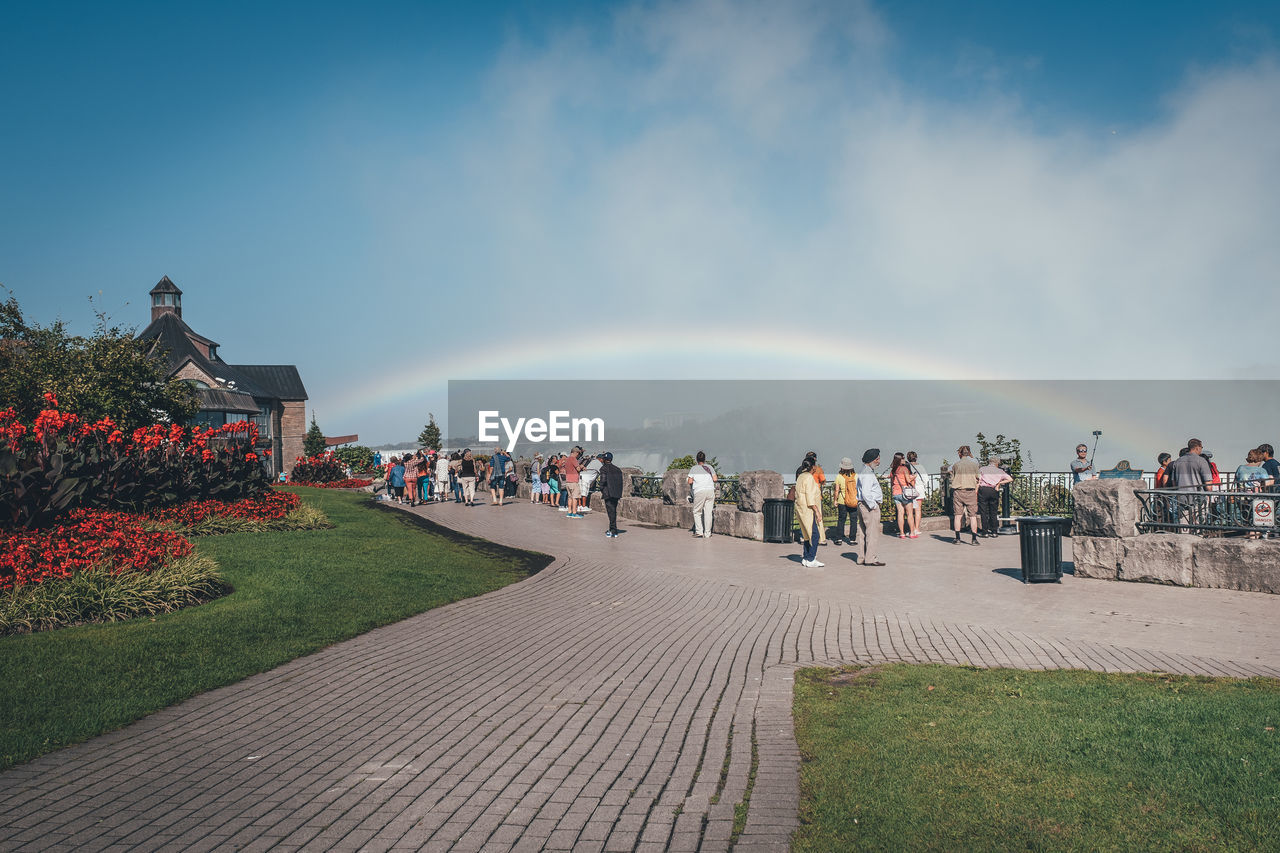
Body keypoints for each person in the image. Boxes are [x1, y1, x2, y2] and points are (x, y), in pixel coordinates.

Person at [856, 449, 885, 565]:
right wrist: (873, 506)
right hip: (868, 506)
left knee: (863, 532)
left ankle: (862, 557)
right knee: (872, 533)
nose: (879, 462)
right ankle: (871, 558)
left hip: (862, 504)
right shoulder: (868, 473)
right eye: (877, 459)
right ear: (872, 460)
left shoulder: (864, 470)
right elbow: (866, 493)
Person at [793, 458, 823, 568]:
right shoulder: (809, 478)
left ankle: (806, 557)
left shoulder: (800, 476)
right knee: (815, 535)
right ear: (813, 467)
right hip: (808, 510)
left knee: (806, 534)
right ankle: (811, 558)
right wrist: (817, 512)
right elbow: (810, 498)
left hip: (801, 509)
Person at [950, 445, 981, 545]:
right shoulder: (974, 465)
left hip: (958, 491)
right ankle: (974, 539)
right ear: (968, 453)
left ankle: (958, 538)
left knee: (958, 516)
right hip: (970, 491)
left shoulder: (956, 465)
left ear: (960, 453)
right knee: (973, 516)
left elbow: (952, 477)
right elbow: (978, 477)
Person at [977, 455, 1013, 538]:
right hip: (994, 490)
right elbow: (1010, 479)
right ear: (997, 463)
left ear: (989, 462)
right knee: (993, 512)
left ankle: (985, 532)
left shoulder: (982, 469)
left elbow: (978, 479)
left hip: (983, 490)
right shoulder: (999, 471)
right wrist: (999, 483)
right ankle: (994, 531)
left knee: (983, 512)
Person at [687, 450, 717, 538]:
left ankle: (699, 532)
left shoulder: (694, 468)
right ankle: (707, 533)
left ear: (697, 459)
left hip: (700, 491)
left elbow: (690, 481)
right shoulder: (710, 467)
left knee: (697, 512)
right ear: (704, 459)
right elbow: (715, 479)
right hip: (710, 490)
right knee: (708, 513)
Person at [889, 452, 918, 539]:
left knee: (900, 514)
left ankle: (902, 533)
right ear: (900, 459)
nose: (904, 460)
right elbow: (908, 480)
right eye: (903, 458)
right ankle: (912, 533)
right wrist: (914, 476)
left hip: (896, 493)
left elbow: (891, 480)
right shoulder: (904, 469)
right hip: (905, 494)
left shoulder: (893, 470)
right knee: (909, 514)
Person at [832, 457, 858, 546]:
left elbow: (836, 490)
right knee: (853, 520)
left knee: (841, 519)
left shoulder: (839, 477)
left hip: (842, 501)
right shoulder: (856, 476)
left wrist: (835, 500)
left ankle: (839, 539)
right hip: (853, 500)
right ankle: (852, 539)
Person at [805, 451, 829, 544]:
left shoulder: (802, 469)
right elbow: (823, 481)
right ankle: (821, 538)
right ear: (815, 459)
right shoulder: (818, 469)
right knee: (818, 516)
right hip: (816, 494)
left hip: (806, 494)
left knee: (807, 516)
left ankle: (806, 537)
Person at [599, 452, 624, 537]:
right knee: (613, 511)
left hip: (608, 493)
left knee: (611, 512)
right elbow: (620, 482)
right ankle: (612, 529)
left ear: (605, 460)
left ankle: (613, 530)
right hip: (616, 493)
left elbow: (603, 480)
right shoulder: (617, 469)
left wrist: (601, 488)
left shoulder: (603, 468)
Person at [904, 451, 925, 539]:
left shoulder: (906, 467)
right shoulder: (921, 467)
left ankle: (911, 529)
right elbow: (925, 479)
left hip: (910, 491)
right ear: (916, 457)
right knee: (918, 510)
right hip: (919, 490)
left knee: (909, 511)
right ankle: (917, 528)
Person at [561, 449, 582, 517]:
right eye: (578, 454)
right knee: (575, 497)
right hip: (574, 481)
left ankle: (569, 512)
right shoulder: (573, 459)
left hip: (568, 480)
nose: (578, 455)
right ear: (575, 453)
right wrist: (581, 467)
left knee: (570, 497)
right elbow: (578, 469)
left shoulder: (567, 460)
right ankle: (574, 513)